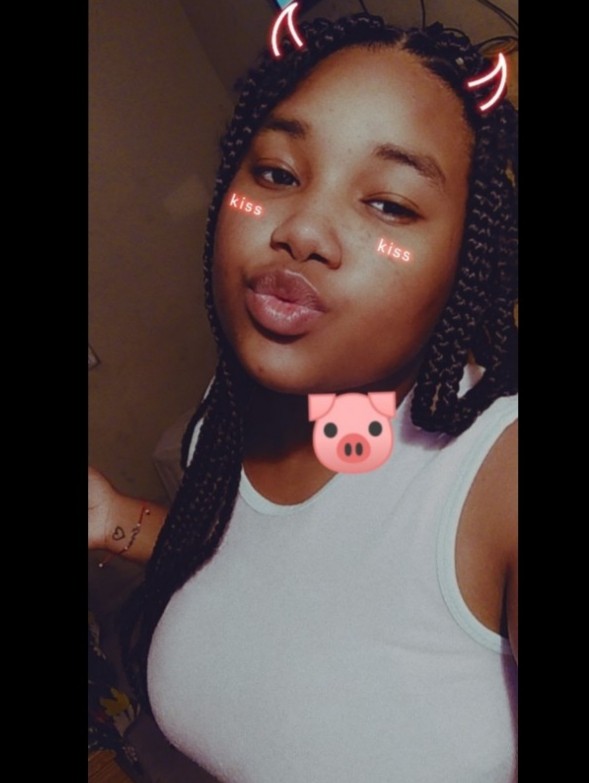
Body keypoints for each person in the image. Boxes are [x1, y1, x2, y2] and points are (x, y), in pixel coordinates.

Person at [89, 12, 518, 783]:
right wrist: (115, 519)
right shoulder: (248, 409)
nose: (303, 228)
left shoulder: (503, 478)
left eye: (389, 204)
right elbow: (277, 560)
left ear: (468, 260)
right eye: (278, 174)